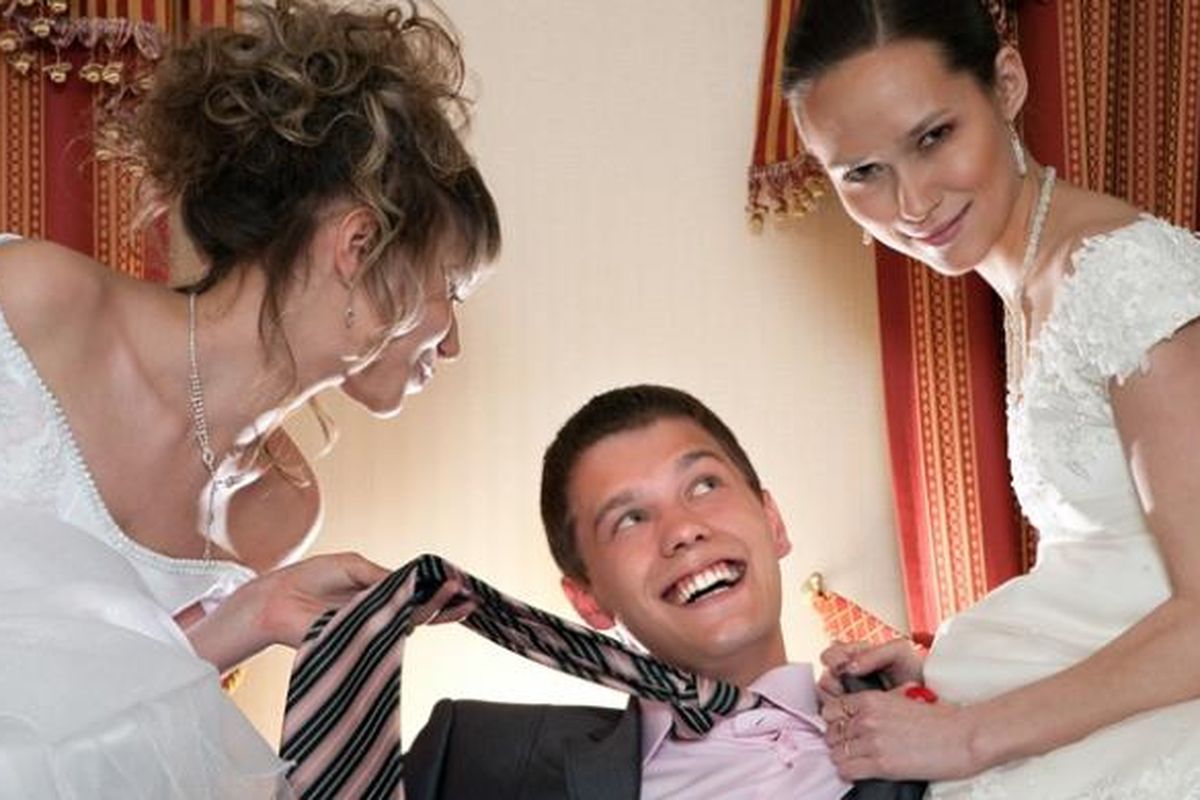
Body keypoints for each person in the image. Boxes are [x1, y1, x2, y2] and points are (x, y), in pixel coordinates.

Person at [0, 0, 499, 794]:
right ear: (359, 244)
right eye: (454, 289)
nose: (453, 342)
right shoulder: (31, 302)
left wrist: (257, 616)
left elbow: (115, 745)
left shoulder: (282, 508)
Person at [780, 1, 1200, 797]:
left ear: (1006, 84)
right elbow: (1111, 563)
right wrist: (962, 672)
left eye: (933, 137)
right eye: (862, 173)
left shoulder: (1126, 277)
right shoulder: (1034, 278)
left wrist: (967, 735)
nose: (912, 203)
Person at [406, 384, 851, 799]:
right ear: (588, 600)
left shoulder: (893, 715)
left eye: (704, 485)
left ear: (773, 522)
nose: (683, 530)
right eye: (630, 519)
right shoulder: (472, 759)